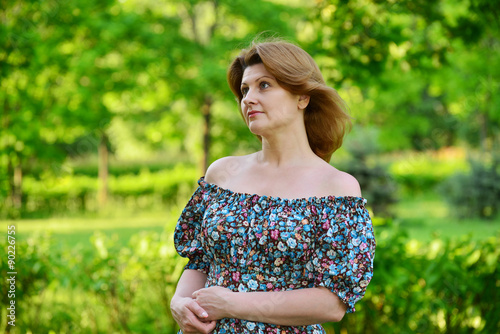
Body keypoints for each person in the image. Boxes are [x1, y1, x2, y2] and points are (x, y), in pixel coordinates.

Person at [171, 38, 376, 334]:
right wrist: (179, 303)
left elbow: (332, 303)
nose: (248, 99)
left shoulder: (336, 188)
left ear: (302, 97)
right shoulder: (222, 173)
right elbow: (200, 262)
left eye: (264, 85)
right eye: (245, 90)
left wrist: (232, 304)